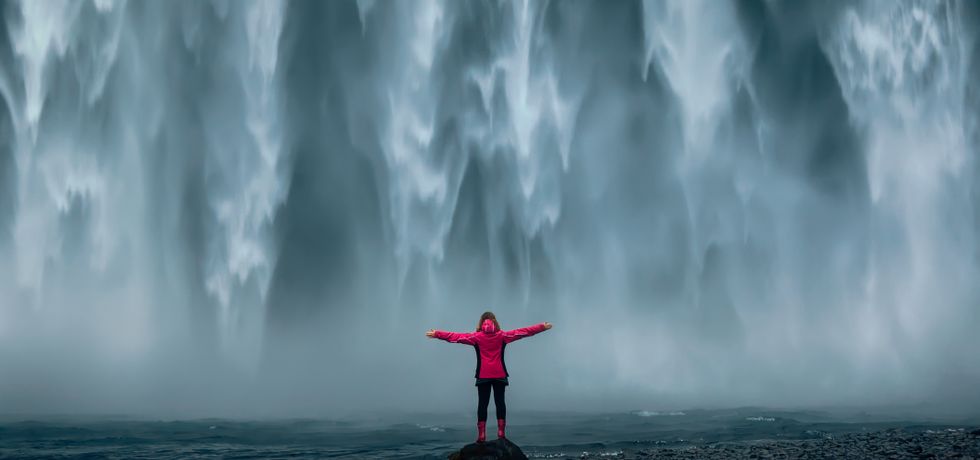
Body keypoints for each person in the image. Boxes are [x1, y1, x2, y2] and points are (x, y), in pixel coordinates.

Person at [426, 311, 552, 442]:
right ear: (495, 322)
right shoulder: (503, 336)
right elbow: (523, 332)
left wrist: (437, 334)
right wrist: (542, 326)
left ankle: (481, 435)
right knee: (500, 403)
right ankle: (501, 433)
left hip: (483, 375)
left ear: (481, 323)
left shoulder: (476, 337)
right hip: (500, 374)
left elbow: (456, 337)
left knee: (482, 404)